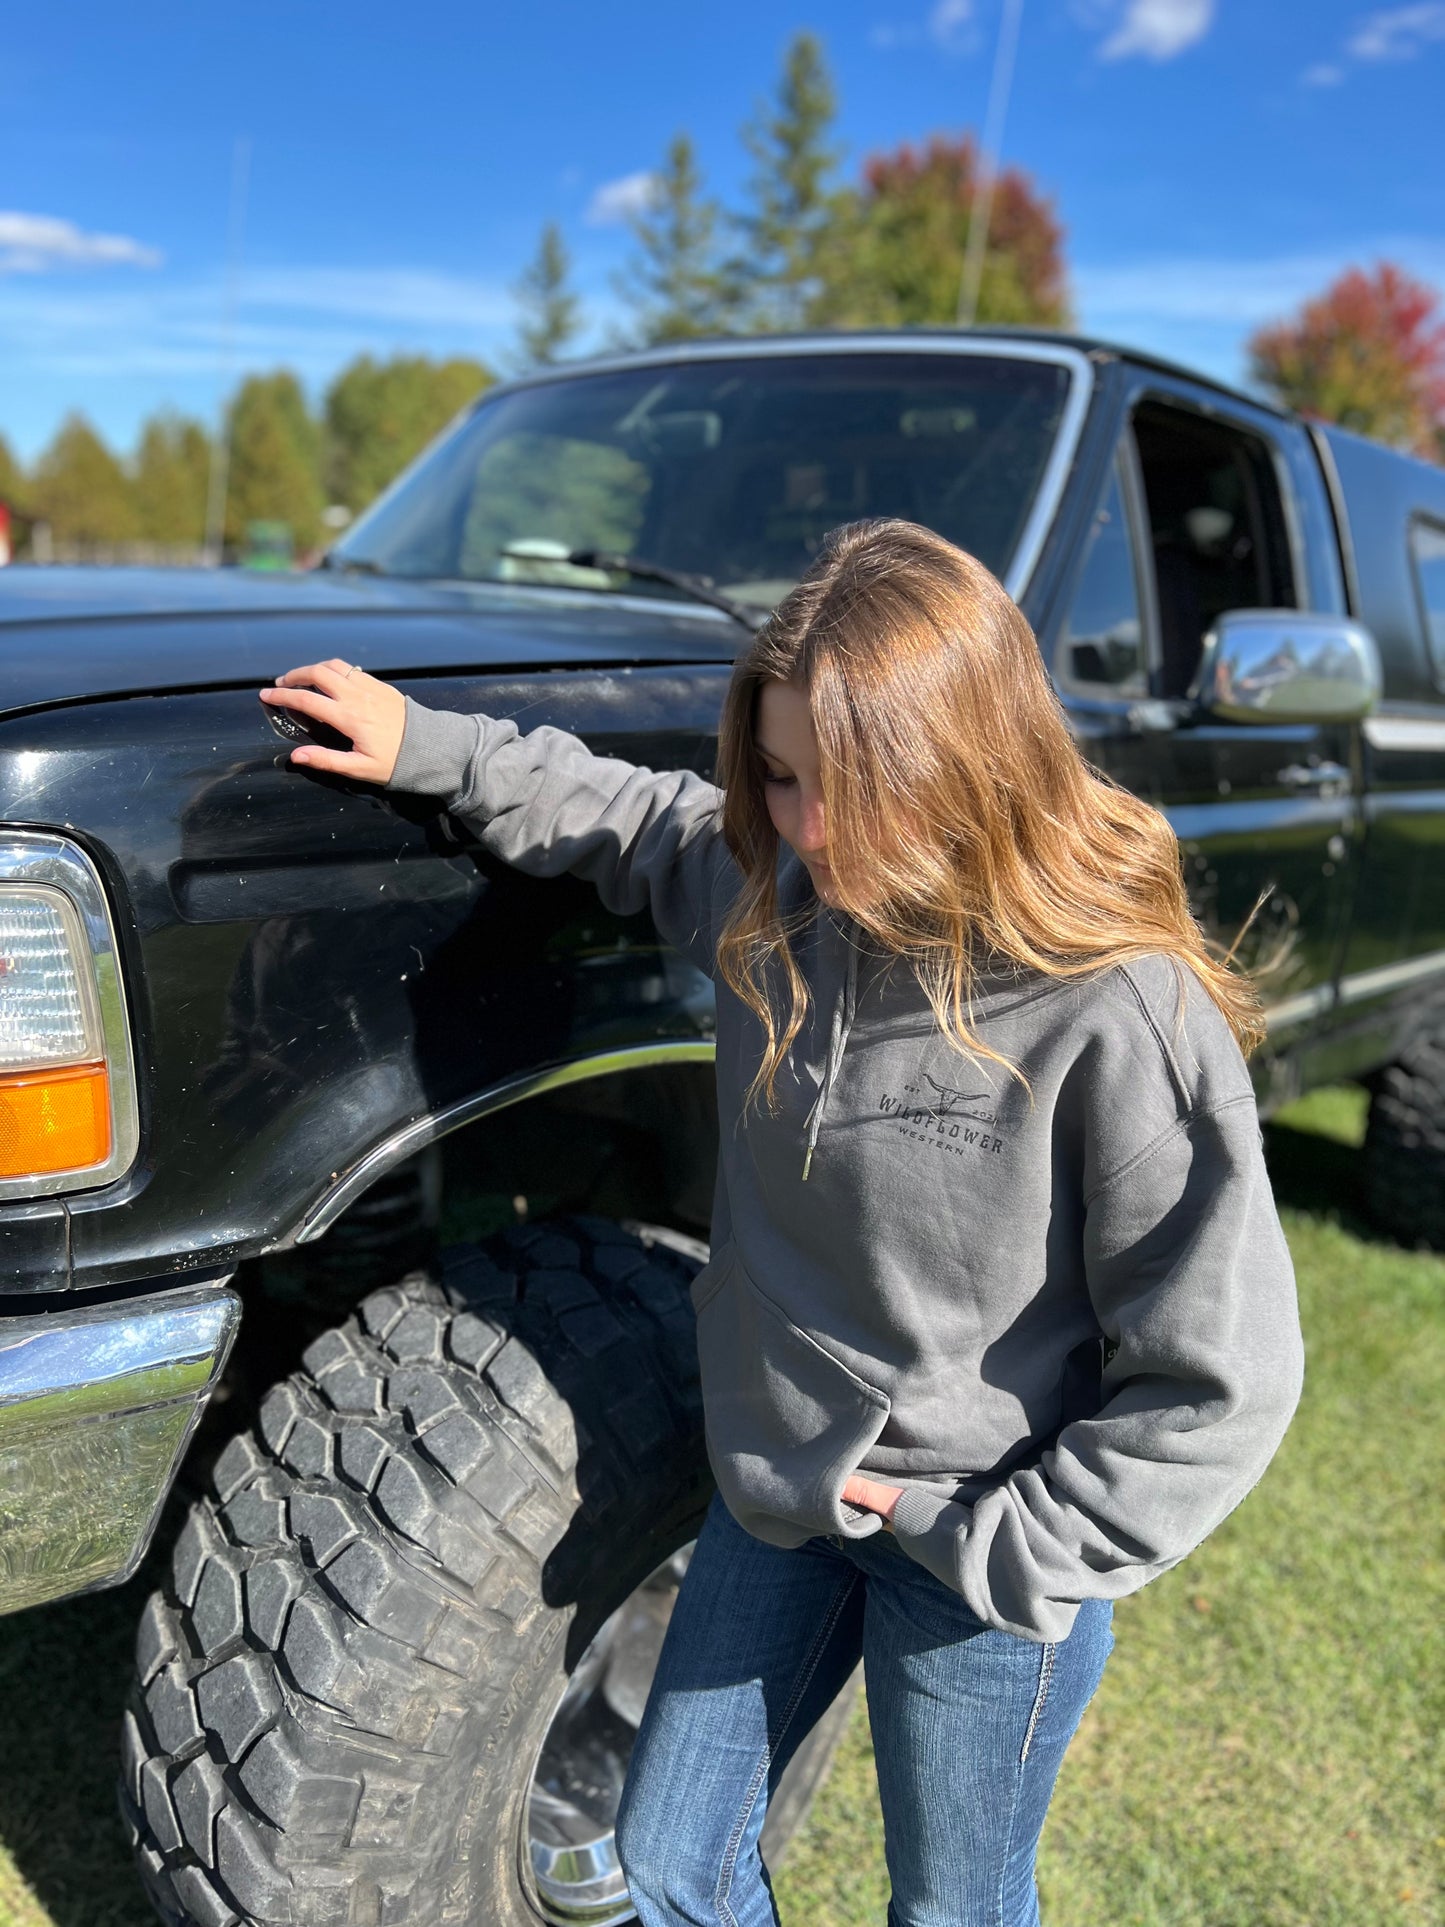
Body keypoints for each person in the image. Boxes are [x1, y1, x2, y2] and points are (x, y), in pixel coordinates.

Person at [260, 518, 1305, 1927]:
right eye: (778, 775)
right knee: (674, 1864)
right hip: (781, 1502)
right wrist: (425, 745)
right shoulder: (777, 898)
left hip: (982, 1549)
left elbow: (1220, 1380)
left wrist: (1007, 1543)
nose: (808, 829)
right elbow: (627, 815)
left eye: (850, 788)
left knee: (952, 1908)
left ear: (971, 765)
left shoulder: (1118, 1011)